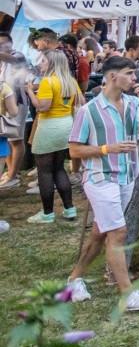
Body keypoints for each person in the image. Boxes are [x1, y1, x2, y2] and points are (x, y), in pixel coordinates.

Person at [63, 55, 139, 311]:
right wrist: (107, 148)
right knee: (118, 232)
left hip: (126, 177)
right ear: (113, 76)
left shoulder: (131, 104)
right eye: (130, 73)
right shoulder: (89, 111)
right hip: (100, 177)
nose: (135, 78)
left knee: (101, 231)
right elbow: (74, 151)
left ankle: (73, 279)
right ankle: (127, 295)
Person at [27, 49, 83, 223]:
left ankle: (47, 213)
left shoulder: (48, 82)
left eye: (43, 61)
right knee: (59, 168)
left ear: (51, 63)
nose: (40, 64)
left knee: (44, 172)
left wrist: (30, 91)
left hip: (49, 127)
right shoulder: (70, 81)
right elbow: (81, 103)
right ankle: (69, 209)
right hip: (66, 125)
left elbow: (42, 107)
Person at [0, 32, 32, 189]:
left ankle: (13, 176)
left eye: (2, 44)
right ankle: (12, 172)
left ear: (10, 43)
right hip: (4, 104)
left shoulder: (17, 55)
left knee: (16, 140)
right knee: (6, 138)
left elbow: (10, 59)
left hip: (17, 104)